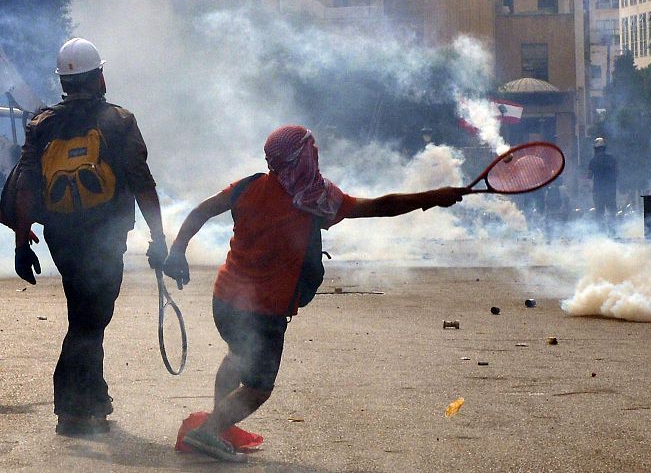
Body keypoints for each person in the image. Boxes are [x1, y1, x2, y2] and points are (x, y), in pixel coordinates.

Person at [162, 125, 465, 462]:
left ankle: (219, 426)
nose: (316, 155)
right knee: (258, 388)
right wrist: (433, 197)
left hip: (225, 300)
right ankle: (209, 432)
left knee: (236, 356)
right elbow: (382, 206)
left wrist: (177, 251)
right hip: (264, 312)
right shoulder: (315, 201)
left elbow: (202, 210)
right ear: (302, 158)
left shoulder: (249, 186)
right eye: (311, 150)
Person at [12, 38, 167, 435]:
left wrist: (20, 239)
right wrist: (159, 236)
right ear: (98, 76)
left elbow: (28, 183)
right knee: (90, 319)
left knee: (85, 313)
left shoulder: (42, 124)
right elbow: (142, 181)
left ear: (64, 81)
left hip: (61, 236)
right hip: (105, 235)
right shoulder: (119, 120)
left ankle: (93, 400)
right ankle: (71, 409)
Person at [587, 137, 618, 233]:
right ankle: (613, 231)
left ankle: (601, 233)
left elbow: (589, 176)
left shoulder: (593, 161)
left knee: (599, 212)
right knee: (612, 211)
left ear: (595, 149)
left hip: (598, 190)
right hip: (610, 190)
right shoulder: (612, 158)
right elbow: (617, 173)